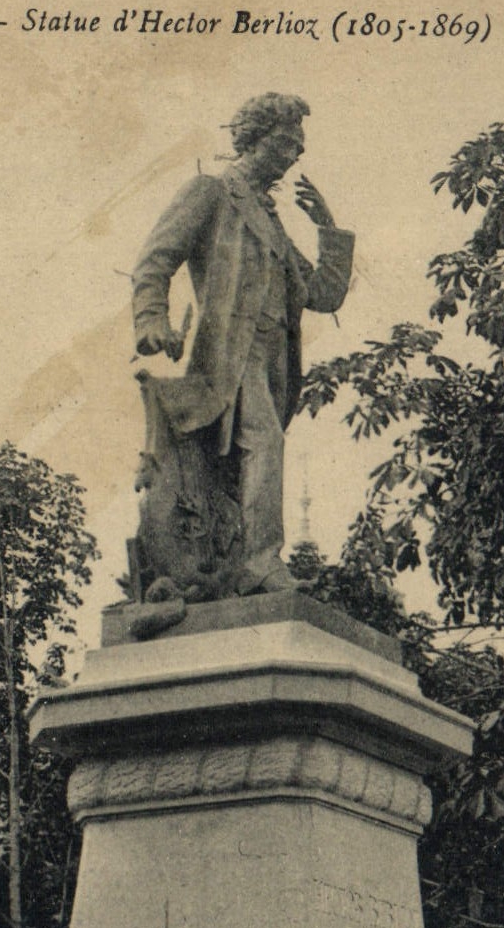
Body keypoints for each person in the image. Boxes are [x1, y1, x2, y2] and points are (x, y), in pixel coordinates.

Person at [132, 93, 354, 594]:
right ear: (252, 139)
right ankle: (260, 564)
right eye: (284, 141)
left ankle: (229, 569)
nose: (294, 153)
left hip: (274, 363)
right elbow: (154, 260)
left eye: (299, 145)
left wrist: (329, 229)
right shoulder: (211, 193)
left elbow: (323, 294)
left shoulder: (272, 222)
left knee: (241, 473)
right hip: (230, 361)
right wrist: (150, 320)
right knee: (266, 443)